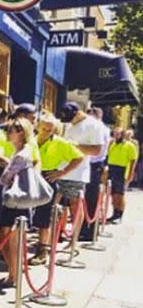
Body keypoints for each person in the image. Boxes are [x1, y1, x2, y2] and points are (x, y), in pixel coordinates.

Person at [29, 114, 83, 265]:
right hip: (29, 175)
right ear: (38, 125)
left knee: (44, 216)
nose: (46, 131)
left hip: (48, 177)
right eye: (44, 128)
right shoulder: (30, 139)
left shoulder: (60, 143)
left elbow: (78, 157)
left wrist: (62, 172)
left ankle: (42, 251)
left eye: (50, 129)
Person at [0, 118, 36, 287]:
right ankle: (13, 273)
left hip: (15, 202)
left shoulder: (21, 155)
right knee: (9, 239)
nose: (7, 133)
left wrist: (5, 168)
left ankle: (13, 274)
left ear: (20, 133)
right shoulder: (20, 152)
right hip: (15, 201)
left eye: (11, 130)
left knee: (10, 241)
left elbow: (5, 179)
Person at [57, 102, 104, 243]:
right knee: (60, 206)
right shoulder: (68, 124)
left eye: (71, 118)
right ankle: (59, 233)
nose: (69, 121)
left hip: (77, 171)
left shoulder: (94, 125)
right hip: (60, 169)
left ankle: (74, 239)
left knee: (75, 205)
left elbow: (97, 150)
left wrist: (74, 146)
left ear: (78, 113)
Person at [79, 106, 110, 241]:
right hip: (91, 164)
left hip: (94, 165)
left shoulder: (100, 129)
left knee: (91, 198)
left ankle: (89, 230)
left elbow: (97, 151)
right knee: (85, 198)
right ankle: (84, 228)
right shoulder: (99, 128)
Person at [107, 129, 138, 224]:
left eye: (118, 134)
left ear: (122, 135)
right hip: (112, 169)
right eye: (115, 133)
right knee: (113, 194)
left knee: (120, 194)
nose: (116, 135)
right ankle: (114, 213)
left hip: (122, 170)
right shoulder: (112, 144)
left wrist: (131, 173)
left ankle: (119, 215)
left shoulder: (130, 146)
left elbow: (133, 160)